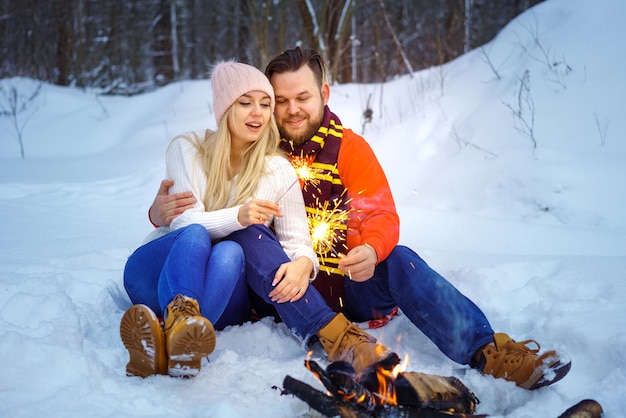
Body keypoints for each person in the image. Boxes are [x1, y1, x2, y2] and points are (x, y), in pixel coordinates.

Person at [149, 48, 571, 390]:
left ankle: (489, 350)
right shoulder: (261, 147)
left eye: (303, 97)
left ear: (324, 94)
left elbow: (380, 211)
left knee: (400, 258)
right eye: (281, 101)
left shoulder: (348, 149)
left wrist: (371, 247)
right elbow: (203, 203)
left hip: (348, 283)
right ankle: (337, 340)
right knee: (249, 233)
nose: (292, 110)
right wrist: (157, 212)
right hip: (279, 287)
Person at [122, 60, 397, 380]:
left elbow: (298, 240)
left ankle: (171, 339)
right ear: (225, 108)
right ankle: (180, 318)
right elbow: (185, 222)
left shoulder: (277, 170)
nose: (258, 112)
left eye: (266, 104)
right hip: (159, 273)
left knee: (231, 251)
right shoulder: (188, 148)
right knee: (198, 232)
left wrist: (304, 264)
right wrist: (237, 215)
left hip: (220, 290)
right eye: (245, 103)